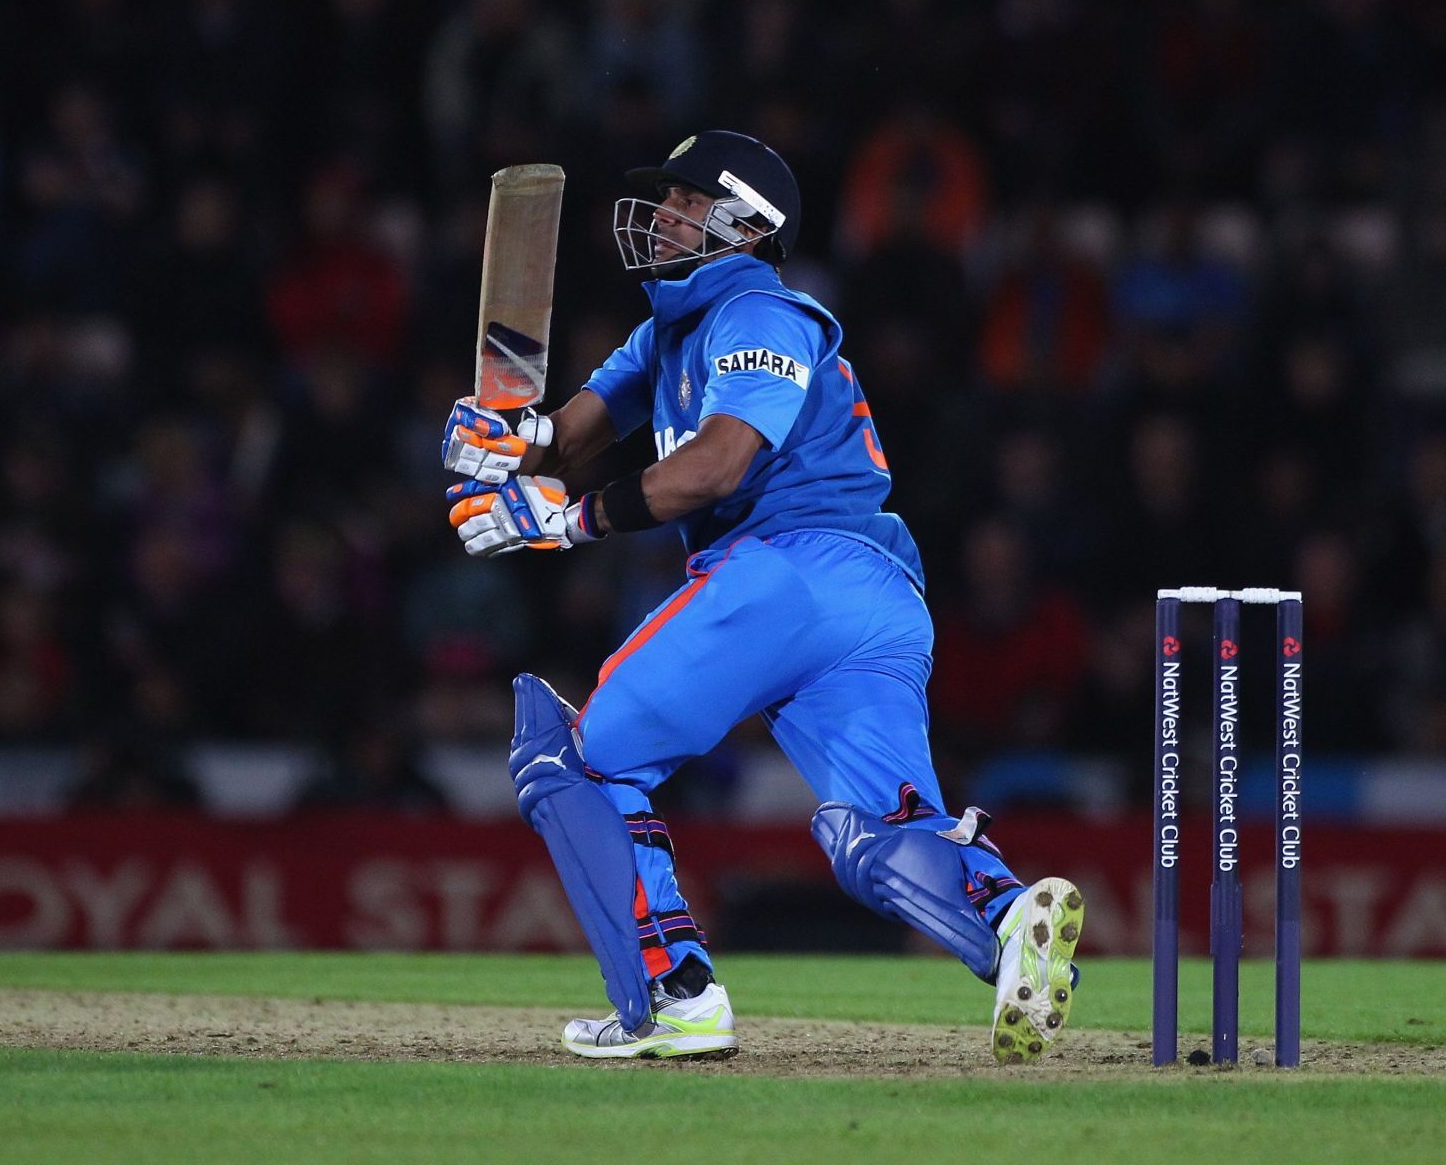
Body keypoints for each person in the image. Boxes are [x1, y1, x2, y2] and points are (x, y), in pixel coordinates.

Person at [441, 131, 1082, 1063]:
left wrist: (566, 520)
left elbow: (717, 465)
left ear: (744, 225)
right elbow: (567, 438)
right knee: (877, 830)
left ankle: (676, 996)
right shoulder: (666, 331)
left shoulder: (761, 312)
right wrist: (499, 441)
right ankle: (1010, 913)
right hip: (880, 603)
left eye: (684, 202)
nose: (660, 216)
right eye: (662, 200)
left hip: (787, 573)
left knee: (580, 761)